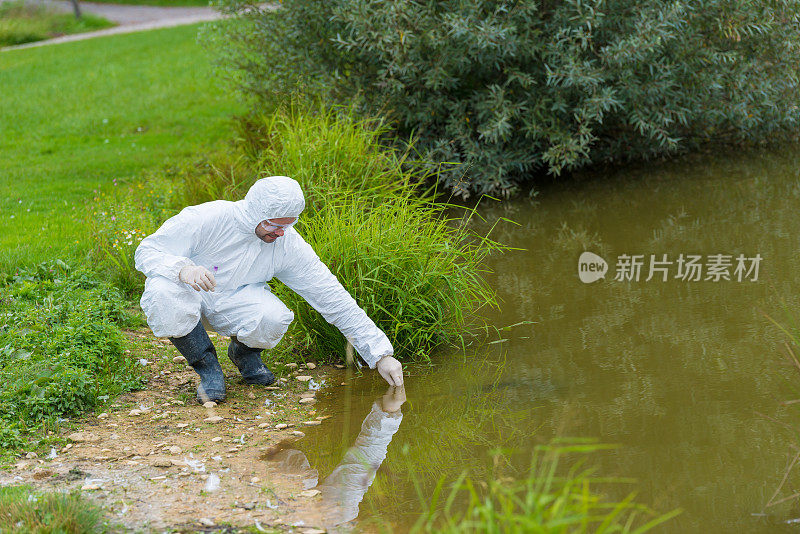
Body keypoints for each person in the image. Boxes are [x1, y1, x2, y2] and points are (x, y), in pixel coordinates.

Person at [134, 176, 404, 403]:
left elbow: (331, 296)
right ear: (256, 213)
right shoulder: (208, 218)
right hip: (189, 292)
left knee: (274, 316)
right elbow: (147, 250)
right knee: (163, 292)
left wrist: (380, 354)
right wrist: (183, 269)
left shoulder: (286, 244)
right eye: (274, 225)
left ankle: (244, 354)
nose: (281, 233)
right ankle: (207, 369)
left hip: (234, 301)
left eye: (288, 225)